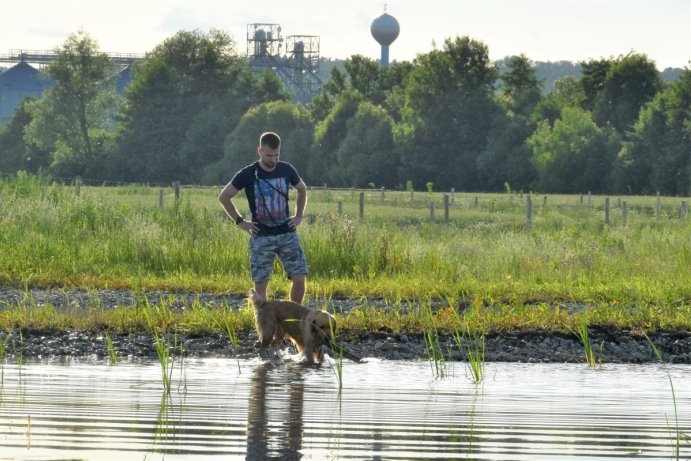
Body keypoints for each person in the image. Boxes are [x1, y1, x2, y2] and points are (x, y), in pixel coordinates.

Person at [219, 132, 308, 304]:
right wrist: (240, 222)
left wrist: (298, 216)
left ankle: (293, 320)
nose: (273, 160)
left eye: (277, 155)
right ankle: (265, 327)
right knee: (260, 285)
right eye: (269, 155)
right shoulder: (248, 173)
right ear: (260, 151)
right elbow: (224, 197)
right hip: (261, 237)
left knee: (299, 277)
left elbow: (302, 189)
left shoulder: (287, 170)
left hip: (287, 234)